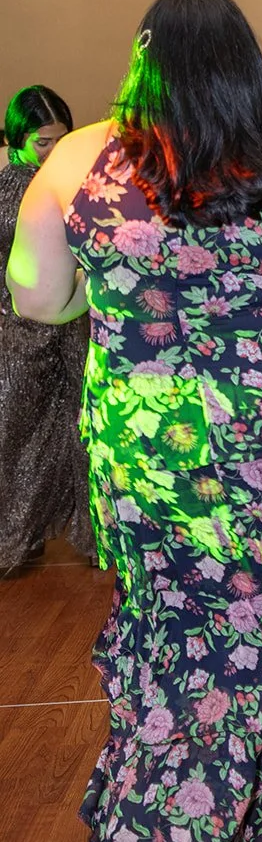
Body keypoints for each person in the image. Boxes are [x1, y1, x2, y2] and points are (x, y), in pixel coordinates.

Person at [7, 0, 262, 842]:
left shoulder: (73, 162)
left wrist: (134, 292)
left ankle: (167, 815)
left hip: (147, 441)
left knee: (176, 618)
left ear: (141, 58)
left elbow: (35, 297)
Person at [0, 85, 93, 576]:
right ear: (17, 137)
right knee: (13, 440)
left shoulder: (77, 184)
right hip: (14, 332)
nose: (54, 151)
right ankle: (16, 539)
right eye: (42, 142)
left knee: (81, 434)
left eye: (62, 139)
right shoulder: (8, 187)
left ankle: (93, 535)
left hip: (74, 325)